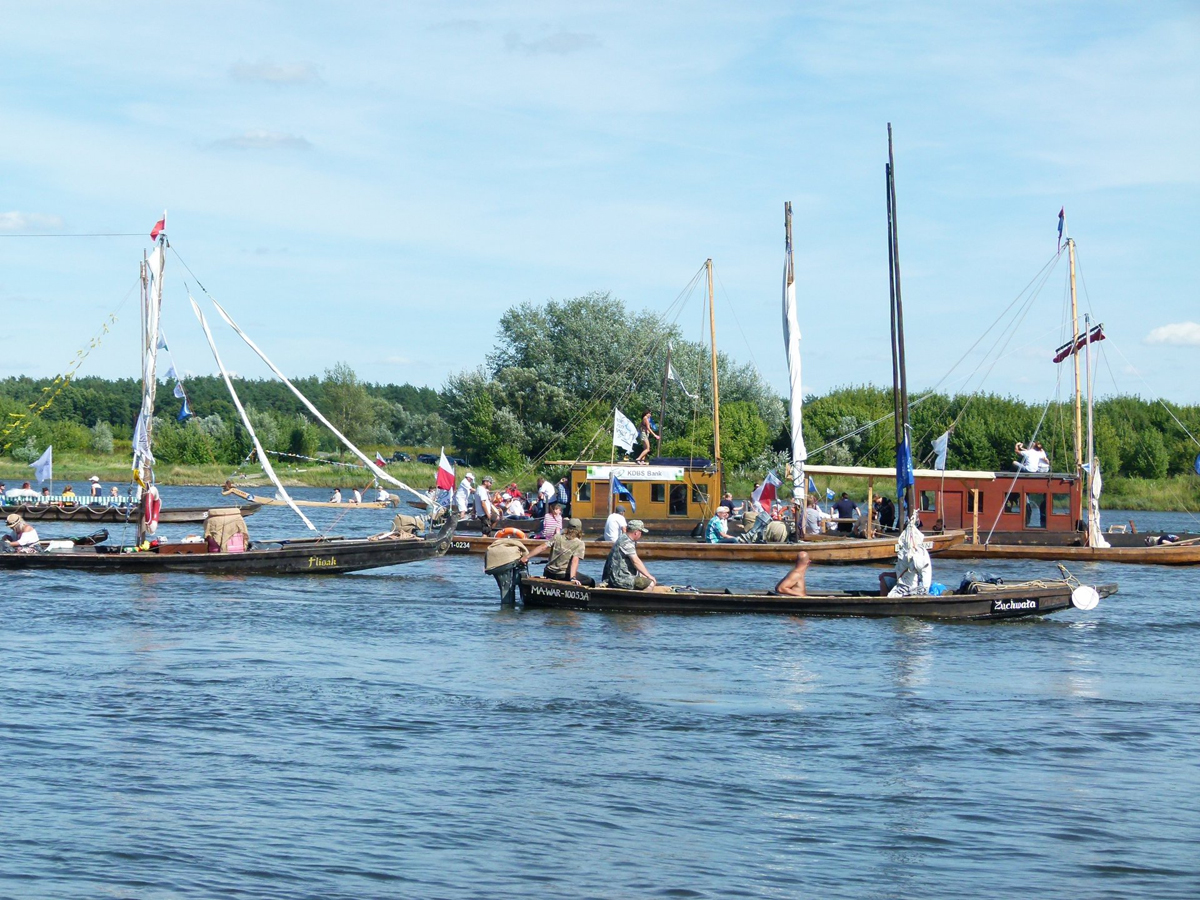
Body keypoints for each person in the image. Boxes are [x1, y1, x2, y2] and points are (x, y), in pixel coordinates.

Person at [528, 517, 594, 587]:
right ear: (579, 530)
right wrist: (572, 578)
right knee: (591, 581)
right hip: (563, 575)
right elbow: (574, 561)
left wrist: (526, 557)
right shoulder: (579, 543)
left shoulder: (557, 537)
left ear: (567, 528)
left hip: (548, 573)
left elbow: (542, 547)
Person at [601, 519, 656, 589]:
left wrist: (642, 574)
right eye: (641, 532)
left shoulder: (624, 538)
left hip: (617, 577)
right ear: (636, 532)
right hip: (618, 579)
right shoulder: (626, 542)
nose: (641, 535)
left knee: (643, 577)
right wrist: (649, 576)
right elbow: (636, 561)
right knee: (650, 583)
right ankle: (640, 599)